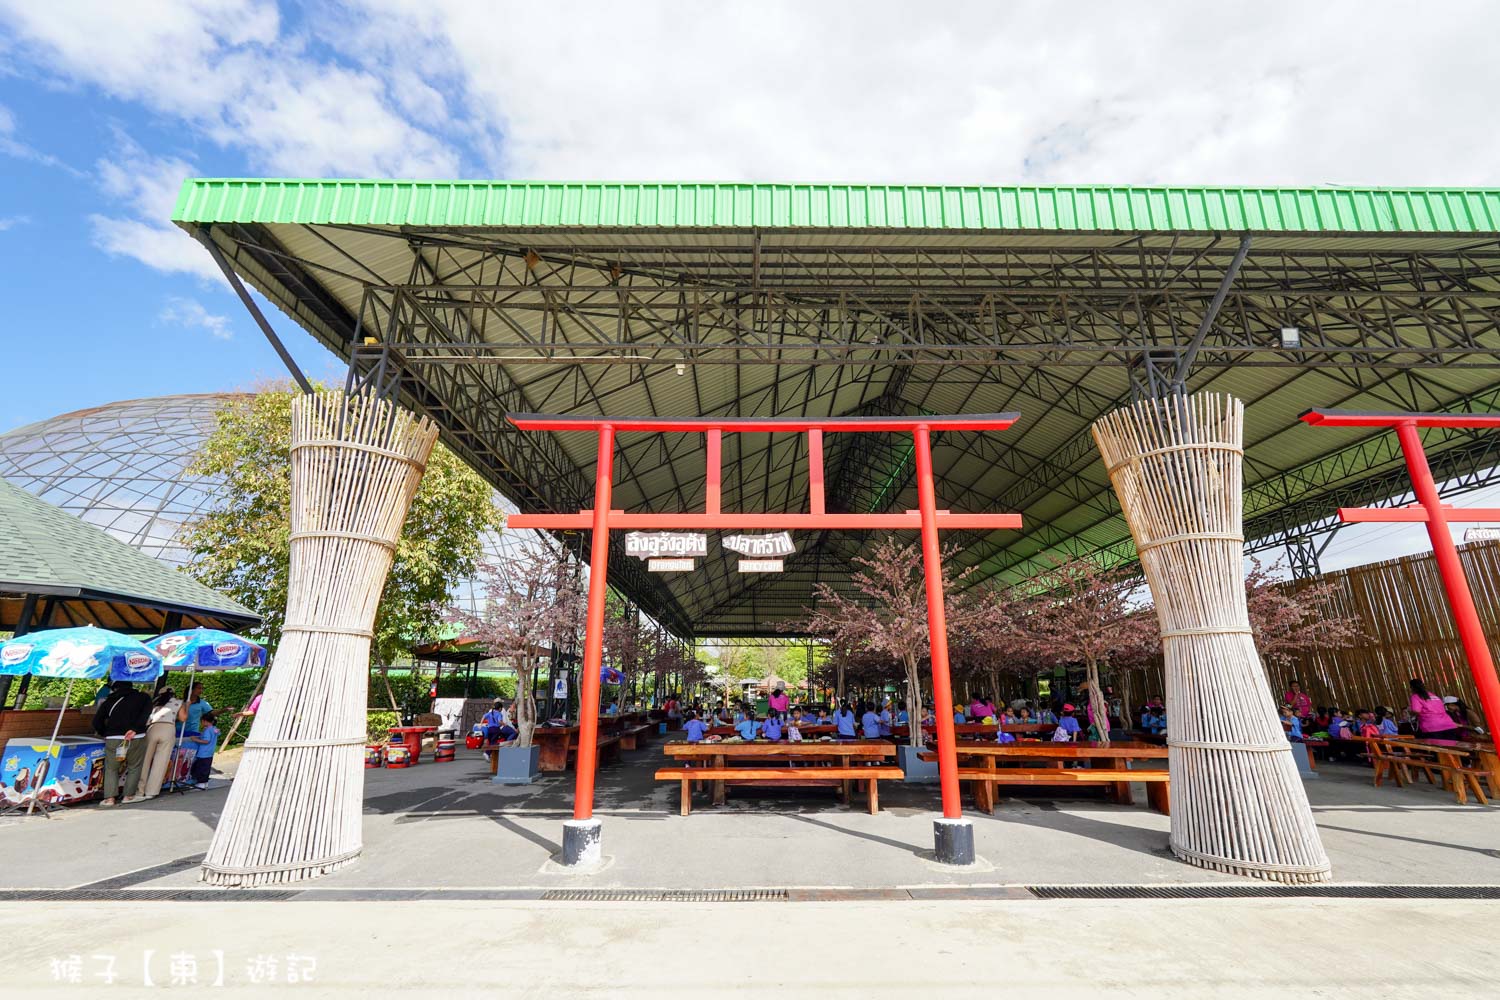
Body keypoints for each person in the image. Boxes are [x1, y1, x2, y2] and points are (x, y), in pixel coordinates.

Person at [92, 681, 151, 806]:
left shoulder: (109, 700)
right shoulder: (143, 697)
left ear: (114, 688)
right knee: (134, 767)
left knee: (111, 768)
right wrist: (135, 729)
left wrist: (106, 733)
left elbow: (96, 721)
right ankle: (128, 796)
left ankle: (109, 799)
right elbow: (145, 715)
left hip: (113, 737)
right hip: (136, 737)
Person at [138, 687, 188, 800]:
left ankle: (139, 790)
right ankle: (151, 791)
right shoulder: (179, 702)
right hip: (168, 728)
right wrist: (187, 706)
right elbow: (183, 718)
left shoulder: (154, 702)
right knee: (160, 762)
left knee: (145, 760)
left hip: (152, 728)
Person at [186, 711, 220, 786]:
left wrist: (195, 739)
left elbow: (206, 741)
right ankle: (205, 782)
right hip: (210, 753)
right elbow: (217, 733)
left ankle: (201, 783)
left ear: (204, 721)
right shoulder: (214, 729)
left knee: (200, 768)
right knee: (206, 768)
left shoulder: (207, 730)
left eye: (201, 721)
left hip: (203, 753)